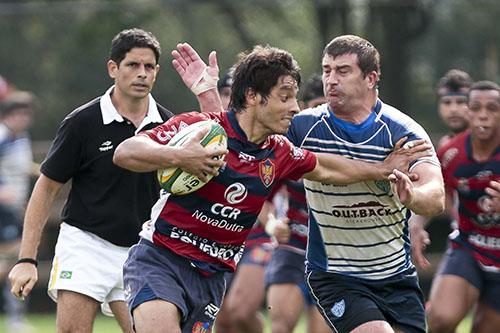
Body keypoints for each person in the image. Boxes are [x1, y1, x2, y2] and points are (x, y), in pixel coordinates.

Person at [113, 42, 431, 333]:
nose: (295, 107)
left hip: (211, 277)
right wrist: (181, 156)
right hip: (161, 259)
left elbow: (328, 167)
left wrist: (381, 168)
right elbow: (126, 152)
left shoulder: (279, 151)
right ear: (253, 96)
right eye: (285, 97)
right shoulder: (202, 129)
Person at [7, 28, 220, 333]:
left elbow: (215, 158)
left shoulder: (170, 125)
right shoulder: (83, 122)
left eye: (149, 67)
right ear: (113, 68)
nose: (142, 74)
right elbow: (46, 188)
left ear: (157, 72)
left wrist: (208, 96)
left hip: (142, 251)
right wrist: (26, 259)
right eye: (133, 65)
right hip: (85, 243)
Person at [284, 35, 445, 333]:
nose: (331, 80)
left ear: (370, 78)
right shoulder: (302, 127)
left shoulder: (403, 132)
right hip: (336, 276)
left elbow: (435, 197)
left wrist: (412, 195)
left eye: (343, 71)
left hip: (396, 277)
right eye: (327, 70)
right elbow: (248, 142)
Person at [426, 80, 500, 333]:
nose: (483, 115)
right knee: (440, 318)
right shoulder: (450, 153)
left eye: (492, 108)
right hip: (468, 245)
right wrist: (416, 226)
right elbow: (434, 193)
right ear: (468, 112)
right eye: (476, 107)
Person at [263, 73, 331, 333]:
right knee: (281, 324)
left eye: (327, 109)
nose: (322, 117)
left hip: (331, 255)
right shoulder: (287, 148)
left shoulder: (350, 148)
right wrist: (272, 226)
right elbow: (262, 199)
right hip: (291, 246)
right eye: (315, 108)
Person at [213, 70, 274, 333]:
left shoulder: (265, 139)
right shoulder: (207, 135)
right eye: (223, 94)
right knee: (222, 319)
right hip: (218, 240)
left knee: (239, 309)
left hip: (257, 238)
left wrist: (272, 222)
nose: (228, 100)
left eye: (232, 94)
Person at [410, 69, 473, 269]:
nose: (454, 109)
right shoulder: (445, 148)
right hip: (464, 243)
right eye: (447, 102)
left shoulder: (490, 143)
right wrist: (416, 226)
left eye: (461, 102)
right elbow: (439, 191)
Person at [0, 91, 36, 333]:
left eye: (26, 114)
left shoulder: (20, 138)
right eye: (18, 114)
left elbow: (22, 169)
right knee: (14, 260)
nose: (23, 119)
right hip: (3, 209)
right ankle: (15, 319)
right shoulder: (3, 136)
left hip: (13, 209)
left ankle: (15, 318)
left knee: (11, 262)